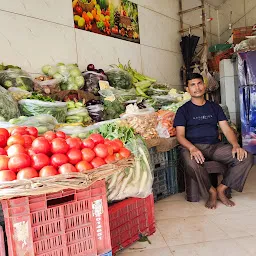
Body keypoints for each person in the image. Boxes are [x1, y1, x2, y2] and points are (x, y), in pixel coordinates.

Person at [174, 73, 254, 209]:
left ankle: (221, 189)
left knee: (247, 157)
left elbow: (227, 129)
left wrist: (235, 145)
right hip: (193, 147)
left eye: (199, 83)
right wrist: (192, 148)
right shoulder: (183, 110)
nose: (197, 87)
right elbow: (180, 135)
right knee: (191, 164)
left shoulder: (215, 107)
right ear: (187, 89)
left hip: (215, 146)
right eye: (192, 85)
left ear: (204, 85)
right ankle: (211, 191)